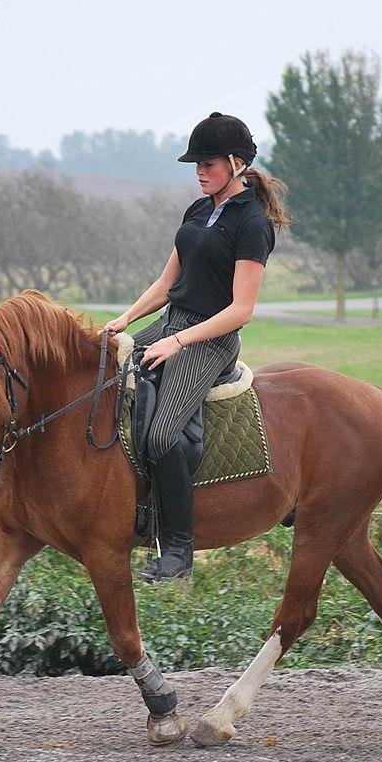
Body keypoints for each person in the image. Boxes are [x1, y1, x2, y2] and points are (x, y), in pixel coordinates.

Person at [105, 111, 290, 582]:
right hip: (173, 322)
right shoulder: (197, 210)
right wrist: (125, 321)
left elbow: (241, 309)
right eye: (196, 164)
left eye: (207, 164)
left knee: (164, 435)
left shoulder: (253, 223)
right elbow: (169, 283)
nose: (199, 171)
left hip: (211, 338)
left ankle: (178, 549)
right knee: (101, 373)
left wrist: (178, 342)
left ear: (237, 162)